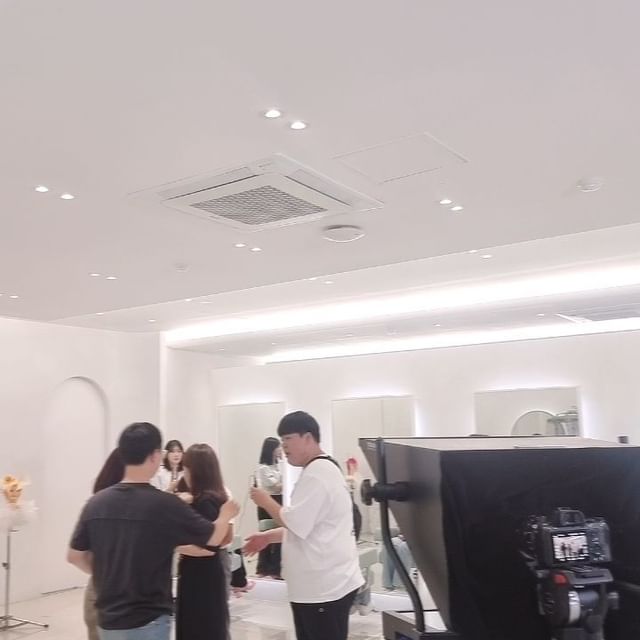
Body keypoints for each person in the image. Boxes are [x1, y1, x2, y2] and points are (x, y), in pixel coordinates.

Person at [67, 422, 239, 640]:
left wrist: (107, 576)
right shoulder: (164, 504)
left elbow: (74, 556)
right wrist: (225, 515)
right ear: (156, 456)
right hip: (149, 619)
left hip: (108, 620)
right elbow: (213, 538)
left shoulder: (96, 503)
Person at [245, 411, 363, 640]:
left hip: (323, 590)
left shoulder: (318, 473)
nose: (284, 446)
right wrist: (268, 537)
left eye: (288, 439)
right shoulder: (320, 470)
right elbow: (307, 527)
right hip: (319, 588)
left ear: (308, 437)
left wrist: (265, 501)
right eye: (282, 441)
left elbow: (296, 522)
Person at [175, 444, 230, 640]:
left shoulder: (205, 501)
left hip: (200, 574)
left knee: (199, 626)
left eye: (186, 468)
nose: (184, 473)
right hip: (205, 572)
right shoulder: (210, 497)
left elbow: (208, 547)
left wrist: (173, 545)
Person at [84, 449, 126, 640]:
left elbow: (79, 554)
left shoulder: (96, 504)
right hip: (110, 596)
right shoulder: (111, 506)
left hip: (99, 589)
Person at [255, 436, 283, 579]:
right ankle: (263, 567)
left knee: (279, 536)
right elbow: (275, 486)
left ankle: (275, 568)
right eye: (278, 447)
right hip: (267, 502)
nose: (280, 450)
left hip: (279, 500)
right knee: (266, 534)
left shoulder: (279, 466)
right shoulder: (263, 468)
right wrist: (283, 483)